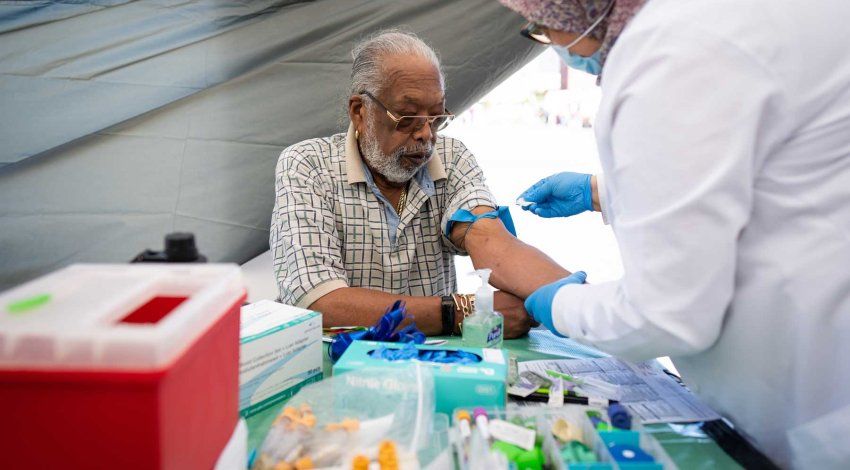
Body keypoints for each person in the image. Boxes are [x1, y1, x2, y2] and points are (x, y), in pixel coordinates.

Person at [499, 0, 850, 467]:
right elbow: (762, 171)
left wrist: (558, 302)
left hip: (815, 396)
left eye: (544, 28)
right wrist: (602, 192)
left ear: (584, 10)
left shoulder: (668, 51)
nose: (550, 41)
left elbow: (667, 313)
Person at [270, 30, 572, 338]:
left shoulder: (450, 158)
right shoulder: (308, 165)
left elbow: (491, 243)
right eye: (407, 117)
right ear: (360, 112)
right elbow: (321, 304)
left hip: (432, 366)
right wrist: (459, 311)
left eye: (436, 116)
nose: (426, 134)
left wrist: (580, 303)